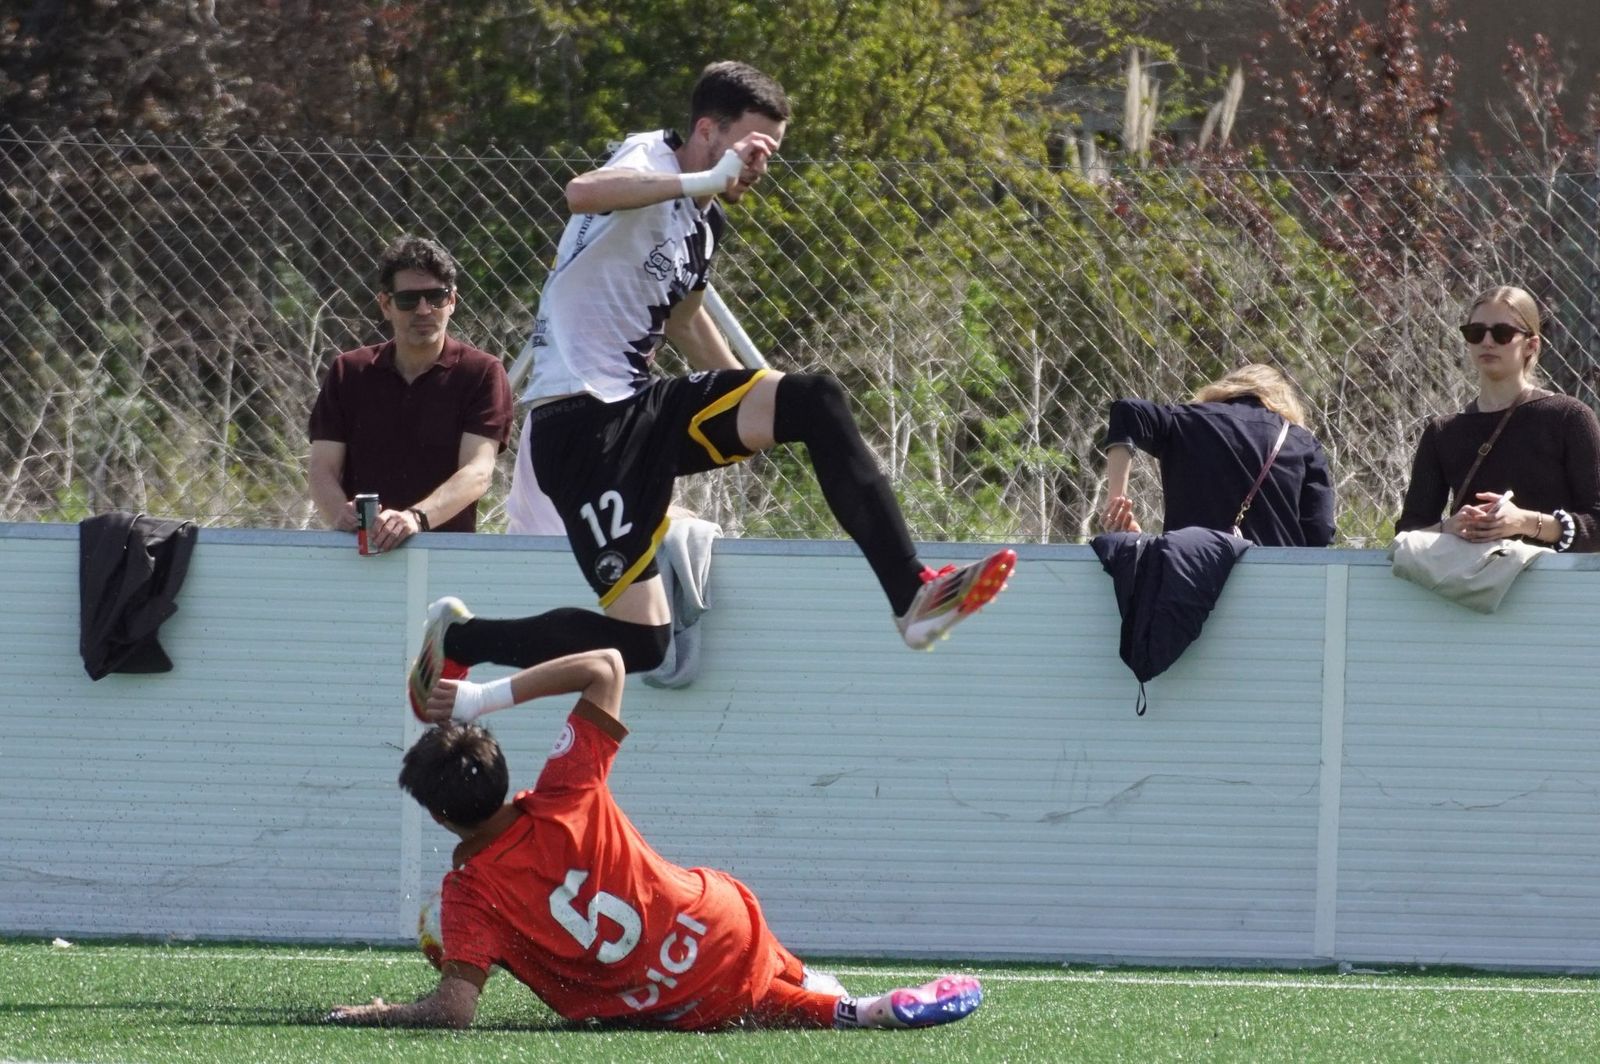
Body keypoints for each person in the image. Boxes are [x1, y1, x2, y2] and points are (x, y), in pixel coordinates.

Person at [406, 61, 1014, 716]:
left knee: (815, 400)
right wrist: (704, 178)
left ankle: (913, 598)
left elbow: (686, 319)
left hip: (643, 409)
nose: (759, 167)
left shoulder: (706, 223)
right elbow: (582, 191)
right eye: (752, 149)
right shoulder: (654, 155)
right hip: (578, 430)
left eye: (769, 155)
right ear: (706, 131)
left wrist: (758, 399)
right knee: (643, 643)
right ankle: (460, 638)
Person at [327, 647, 984, 1033]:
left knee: (746, 1003)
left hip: (671, 1000)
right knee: (754, 968)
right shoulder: (566, 789)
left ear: (441, 817)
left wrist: (372, 1011)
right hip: (718, 919)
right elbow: (607, 665)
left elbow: (453, 1010)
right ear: (501, 772)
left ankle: (850, 1010)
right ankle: (851, 1004)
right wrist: (477, 698)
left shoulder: (467, 893)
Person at [309, 235, 514, 550]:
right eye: (408, 300)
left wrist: (414, 519)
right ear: (386, 305)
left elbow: (478, 472)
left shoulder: (483, 373)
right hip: (358, 555)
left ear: (453, 302)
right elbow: (322, 469)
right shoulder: (348, 372)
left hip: (446, 557)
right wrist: (341, 512)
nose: (423, 310)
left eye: (436, 297)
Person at [1396, 285, 1600, 552]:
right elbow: (1407, 534)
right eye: (1476, 333)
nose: (1487, 342)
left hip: (1554, 584)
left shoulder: (1569, 418)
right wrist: (1451, 528)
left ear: (1531, 345)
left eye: (1502, 334)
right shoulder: (1443, 432)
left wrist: (1526, 523)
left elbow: (1596, 523)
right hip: (1471, 586)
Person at [1097, 364, 1335, 546]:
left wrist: (1117, 503)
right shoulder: (1302, 442)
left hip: (1189, 574)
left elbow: (1128, 412)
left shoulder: (1187, 421)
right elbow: (1320, 530)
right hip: (1273, 583)